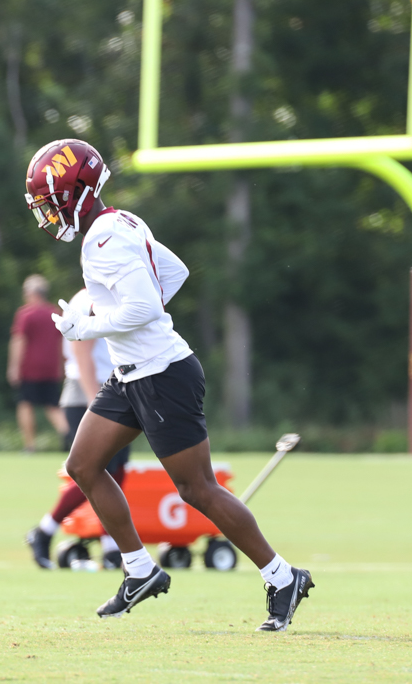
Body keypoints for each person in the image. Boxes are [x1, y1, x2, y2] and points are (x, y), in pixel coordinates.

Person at [24, 139, 314, 631]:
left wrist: (85, 327)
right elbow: (173, 273)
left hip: (161, 374)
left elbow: (146, 308)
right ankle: (138, 570)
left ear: (75, 192)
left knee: (197, 489)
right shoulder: (121, 222)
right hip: (132, 372)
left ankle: (283, 576)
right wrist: (109, 315)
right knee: (84, 464)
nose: (50, 215)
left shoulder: (103, 240)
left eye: (52, 202)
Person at [25, 288, 129, 570]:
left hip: (116, 391)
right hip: (90, 394)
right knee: (92, 471)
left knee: (116, 474)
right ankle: (45, 530)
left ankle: (110, 547)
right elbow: (82, 355)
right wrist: (98, 402)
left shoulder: (117, 293)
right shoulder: (86, 300)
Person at [7, 274, 69, 452]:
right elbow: (62, 342)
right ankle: (67, 433)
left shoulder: (25, 314)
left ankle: (30, 444)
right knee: (52, 405)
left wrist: (13, 367)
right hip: (51, 367)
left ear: (30, 293)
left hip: (30, 367)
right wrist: (62, 365)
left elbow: (19, 341)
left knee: (25, 403)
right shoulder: (55, 313)